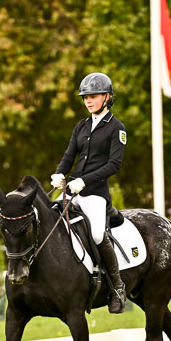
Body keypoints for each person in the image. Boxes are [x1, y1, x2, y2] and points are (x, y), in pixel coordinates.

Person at [51, 72, 127, 313]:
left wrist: (84, 181)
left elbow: (114, 165)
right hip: (73, 191)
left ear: (107, 97)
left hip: (95, 194)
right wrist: (59, 174)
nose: (88, 101)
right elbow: (69, 156)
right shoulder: (81, 126)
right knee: (48, 220)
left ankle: (117, 287)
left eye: (93, 96)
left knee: (96, 234)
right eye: (85, 97)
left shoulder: (116, 128)